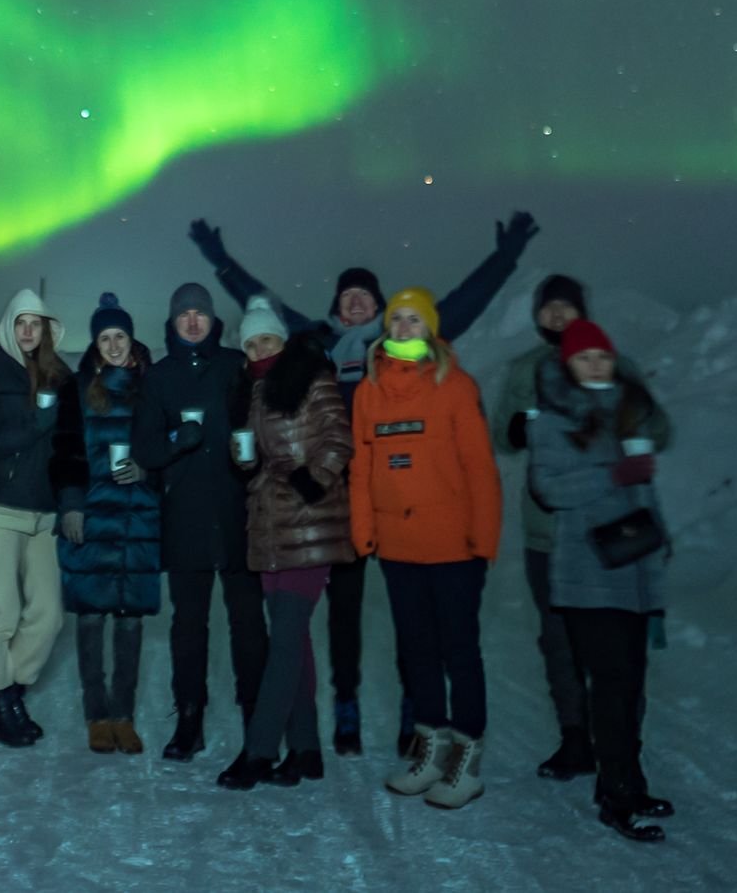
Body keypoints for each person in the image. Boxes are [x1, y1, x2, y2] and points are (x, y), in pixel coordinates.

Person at [187, 208, 539, 755]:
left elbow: (467, 301)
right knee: (344, 613)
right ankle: (345, 704)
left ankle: (412, 712)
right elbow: (265, 304)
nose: (356, 302)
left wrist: (506, 255)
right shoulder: (318, 341)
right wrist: (219, 262)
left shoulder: (404, 344)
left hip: (400, 498)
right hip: (340, 498)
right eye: (347, 295)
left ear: (383, 306)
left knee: (413, 614)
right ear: (335, 306)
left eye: (366, 296)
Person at [349, 287, 501, 809]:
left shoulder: (455, 387)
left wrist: (483, 539)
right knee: (415, 651)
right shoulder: (369, 391)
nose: (403, 328)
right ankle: (430, 751)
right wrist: (363, 530)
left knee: (458, 650)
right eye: (397, 320)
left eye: (414, 320)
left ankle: (467, 761)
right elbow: (363, 468)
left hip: (453, 545)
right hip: (397, 545)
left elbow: (481, 469)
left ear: (431, 329)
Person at [531, 318, 676, 842]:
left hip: (634, 567)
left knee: (632, 683)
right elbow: (550, 489)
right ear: (566, 364)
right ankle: (614, 790)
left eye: (603, 357)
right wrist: (613, 474)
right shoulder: (551, 422)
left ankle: (630, 780)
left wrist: (661, 537)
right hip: (587, 572)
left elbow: (644, 490)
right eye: (584, 357)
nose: (595, 365)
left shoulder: (630, 412)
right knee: (611, 683)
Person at [495, 273, 640, 782]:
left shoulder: (614, 364)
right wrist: (515, 427)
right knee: (558, 639)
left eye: (566, 307)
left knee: (613, 642)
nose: (557, 316)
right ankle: (574, 737)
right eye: (548, 308)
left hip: (605, 531)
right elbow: (503, 438)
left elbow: (647, 430)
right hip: (547, 530)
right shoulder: (523, 369)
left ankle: (618, 747)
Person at [218, 309, 353, 790]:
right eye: (252, 345)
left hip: (310, 525)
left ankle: (258, 751)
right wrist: (244, 463)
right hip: (270, 526)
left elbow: (339, 439)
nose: (260, 352)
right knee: (293, 641)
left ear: (283, 341)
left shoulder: (312, 379)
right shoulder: (251, 392)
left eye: (267, 341)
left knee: (284, 640)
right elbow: (255, 458)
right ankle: (305, 750)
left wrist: (309, 482)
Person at [130, 281, 265, 762]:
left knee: (248, 624)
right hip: (185, 518)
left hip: (237, 516)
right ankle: (189, 720)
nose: (192, 321)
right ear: (172, 323)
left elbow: (268, 419)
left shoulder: (235, 368)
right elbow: (144, 450)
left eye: (200, 314)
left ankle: (258, 719)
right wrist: (177, 442)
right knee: (188, 626)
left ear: (213, 321)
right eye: (183, 314)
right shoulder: (160, 378)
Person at [0, 288, 87, 745]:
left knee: (49, 614)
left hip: (44, 510)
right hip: (1, 504)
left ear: (48, 328)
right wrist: (34, 425)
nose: (29, 331)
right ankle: (1, 703)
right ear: (9, 326)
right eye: (21, 323)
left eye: (37, 324)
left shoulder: (62, 376)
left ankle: (10, 689)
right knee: (0, 610)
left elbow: (72, 445)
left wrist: (71, 498)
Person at [59, 293, 162, 754]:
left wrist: (148, 469)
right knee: (91, 618)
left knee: (130, 622)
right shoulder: (80, 388)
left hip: (138, 516)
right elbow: (64, 451)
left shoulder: (151, 387)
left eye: (120, 335)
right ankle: (96, 715)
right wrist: (71, 504)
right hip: (94, 514)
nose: (115, 345)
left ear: (131, 338)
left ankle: (125, 715)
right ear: (96, 344)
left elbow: (166, 446)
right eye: (106, 337)